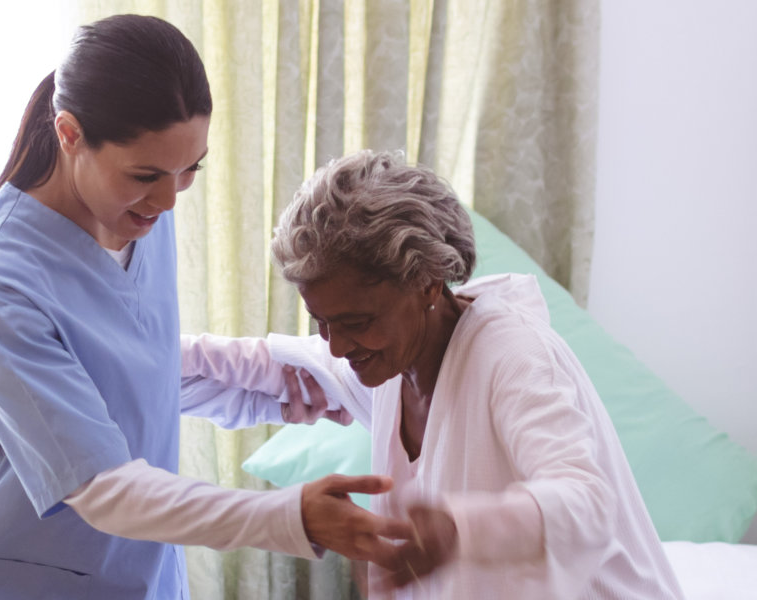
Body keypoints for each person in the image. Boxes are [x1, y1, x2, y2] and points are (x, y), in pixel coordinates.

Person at [0, 15, 409, 600]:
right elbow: (99, 484)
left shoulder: (136, 212)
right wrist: (287, 516)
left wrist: (258, 382)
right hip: (4, 577)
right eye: (146, 174)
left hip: (131, 568)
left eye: (190, 169)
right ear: (69, 134)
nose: (170, 199)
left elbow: (121, 377)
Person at [182, 150, 687, 598]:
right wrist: (125, 358)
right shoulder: (390, 363)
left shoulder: (512, 354)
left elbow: (587, 504)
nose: (335, 345)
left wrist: (456, 529)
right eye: (321, 323)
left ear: (426, 284)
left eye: (355, 322)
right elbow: (263, 369)